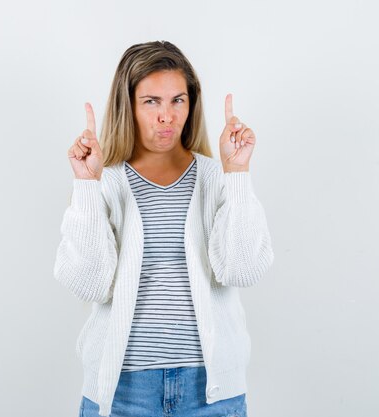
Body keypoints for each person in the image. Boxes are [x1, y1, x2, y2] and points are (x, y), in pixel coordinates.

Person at [54, 40, 274, 417]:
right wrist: (87, 187)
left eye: (177, 100)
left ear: (191, 104)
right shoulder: (106, 182)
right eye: (151, 101)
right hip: (123, 394)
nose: (166, 116)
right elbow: (88, 283)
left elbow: (242, 269)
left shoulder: (214, 178)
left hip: (210, 392)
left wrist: (236, 172)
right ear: (129, 105)